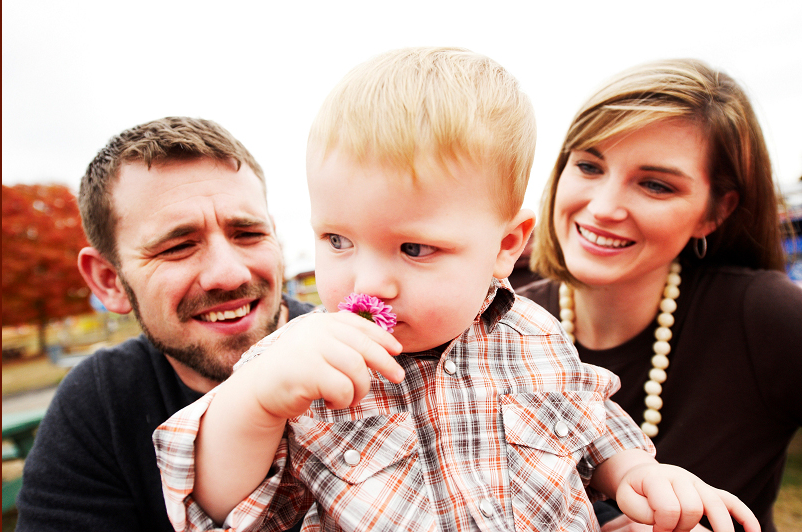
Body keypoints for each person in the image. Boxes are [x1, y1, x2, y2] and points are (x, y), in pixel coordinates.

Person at [153, 48, 759, 532]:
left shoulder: (536, 336)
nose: (368, 283)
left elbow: (589, 420)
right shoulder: (294, 368)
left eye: (414, 249)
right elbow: (212, 503)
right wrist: (257, 402)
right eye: (337, 240)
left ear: (506, 246)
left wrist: (634, 472)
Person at [517, 59, 802, 532]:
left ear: (715, 212)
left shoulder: (764, 316)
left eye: (655, 185)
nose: (604, 207)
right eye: (589, 165)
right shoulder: (495, 321)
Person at [15, 117, 314, 531]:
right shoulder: (100, 406)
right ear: (109, 281)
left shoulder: (380, 359)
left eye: (247, 233)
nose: (230, 274)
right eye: (178, 246)